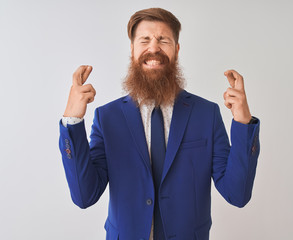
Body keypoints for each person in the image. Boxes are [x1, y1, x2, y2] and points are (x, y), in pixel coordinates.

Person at [59, 7, 260, 240]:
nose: (153, 48)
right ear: (132, 49)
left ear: (176, 49)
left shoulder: (207, 114)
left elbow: (237, 194)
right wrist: (72, 121)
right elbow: (85, 196)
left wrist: (243, 123)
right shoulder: (108, 118)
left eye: (163, 40)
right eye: (144, 40)